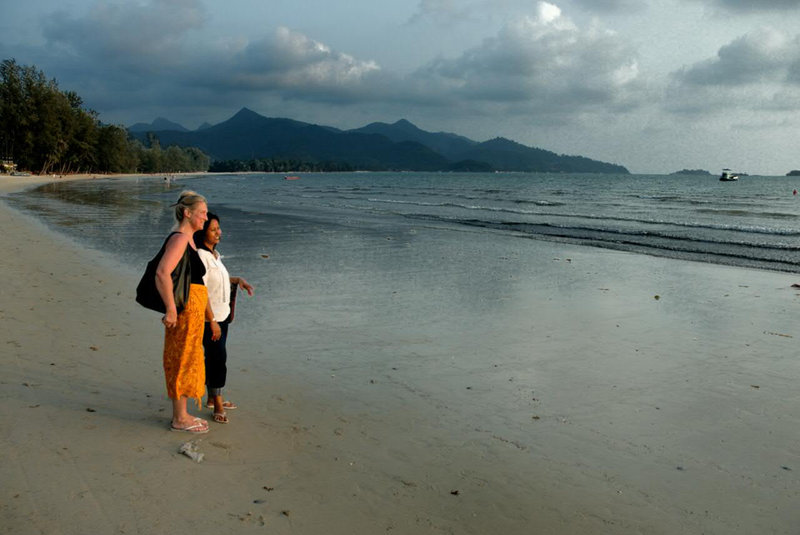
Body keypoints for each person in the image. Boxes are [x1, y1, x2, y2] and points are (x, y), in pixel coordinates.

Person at [156, 190, 212, 433]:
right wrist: (170, 309)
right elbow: (162, 272)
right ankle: (179, 418)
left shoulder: (187, 239)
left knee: (188, 359)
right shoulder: (180, 239)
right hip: (185, 310)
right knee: (181, 360)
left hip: (193, 310)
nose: (206, 218)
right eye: (202, 213)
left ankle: (183, 413)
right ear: (187, 213)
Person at [194, 213, 254, 424]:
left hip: (222, 317)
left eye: (218, 228)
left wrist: (237, 280)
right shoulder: (200, 256)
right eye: (213, 229)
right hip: (210, 320)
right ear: (203, 233)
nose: (219, 232)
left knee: (215, 358)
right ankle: (217, 403)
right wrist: (211, 321)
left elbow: (217, 279)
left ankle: (212, 397)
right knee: (218, 360)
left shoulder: (214, 254)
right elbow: (200, 290)